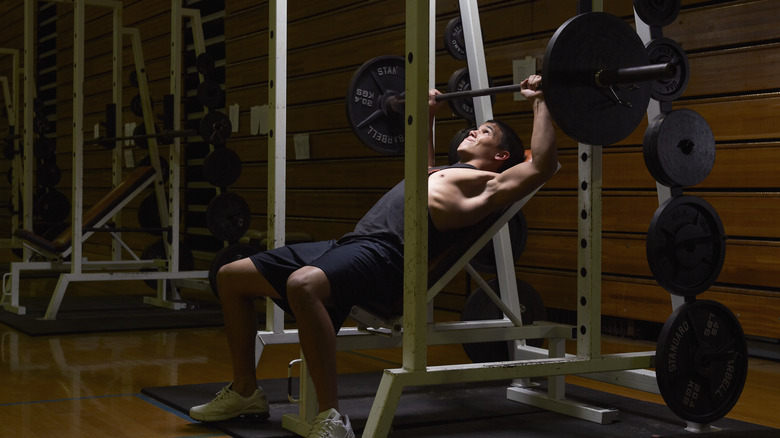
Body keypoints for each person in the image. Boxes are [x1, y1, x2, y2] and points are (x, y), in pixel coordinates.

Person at [189, 74, 556, 438]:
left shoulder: (487, 186)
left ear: (501, 156)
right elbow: (421, 166)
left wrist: (540, 100)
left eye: (485, 132)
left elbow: (541, 165)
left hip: (387, 260)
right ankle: (244, 393)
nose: (473, 131)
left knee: (303, 285)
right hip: (352, 244)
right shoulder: (444, 172)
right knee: (231, 276)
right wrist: (428, 115)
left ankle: (332, 418)